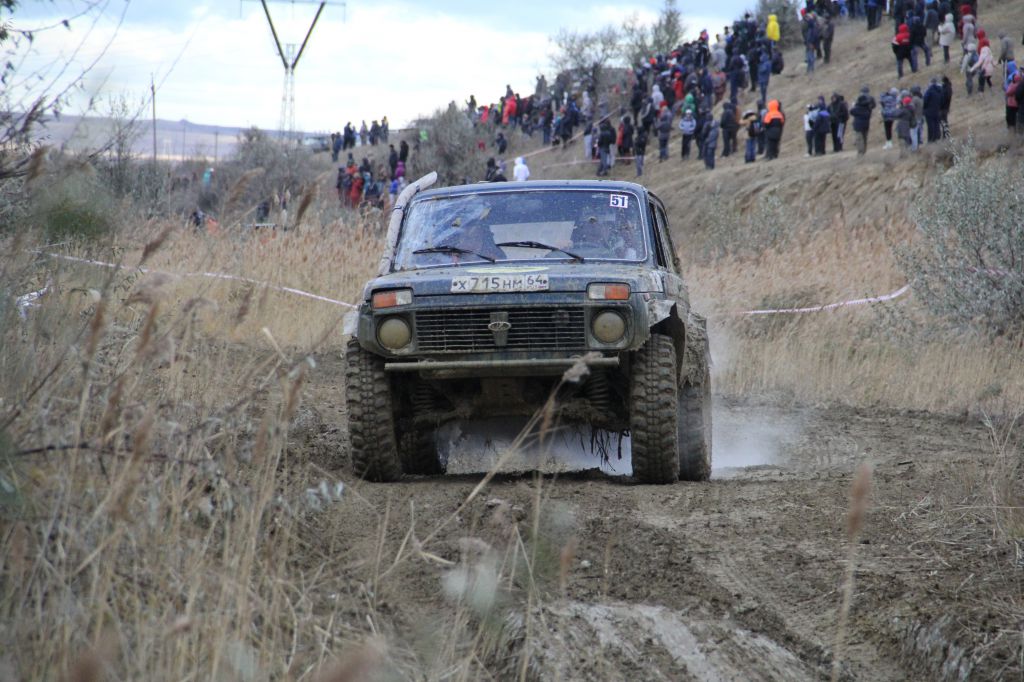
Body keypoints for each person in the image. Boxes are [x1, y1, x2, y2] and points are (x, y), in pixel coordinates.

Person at [850, 87, 876, 155]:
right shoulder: (868, 108)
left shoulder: (857, 108)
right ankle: (864, 150)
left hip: (858, 126)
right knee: (865, 138)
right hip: (866, 124)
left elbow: (851, 111)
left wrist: (853, 106)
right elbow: (873, 106)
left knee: (859, 138)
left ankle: (860, 152)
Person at [923, 77, 944, 142]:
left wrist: (924, 108)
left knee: (930, 125)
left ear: (931, 83)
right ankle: (937, 137)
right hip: (938, 110)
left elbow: (925, 100)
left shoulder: (929, 90)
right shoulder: (941, 90)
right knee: (937, 124)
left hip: (929, 111)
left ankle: (931, 139)